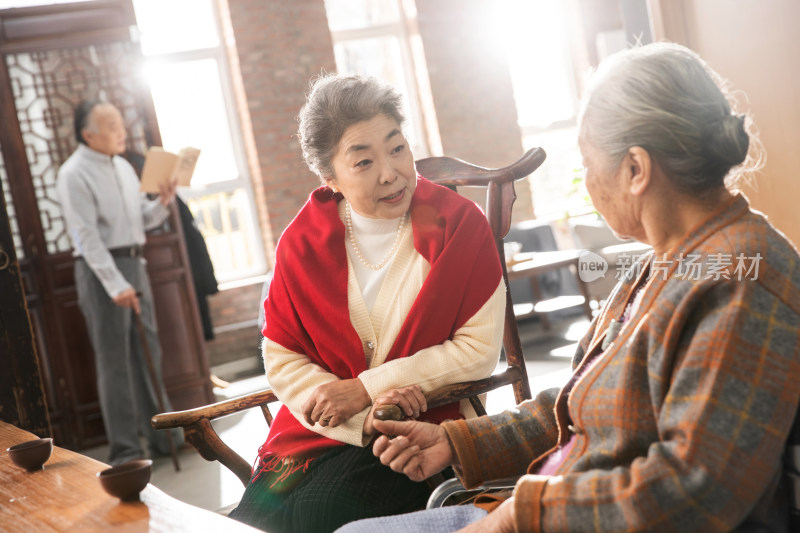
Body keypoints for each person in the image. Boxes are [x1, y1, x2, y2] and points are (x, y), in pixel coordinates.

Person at [336, 42, 800, 533]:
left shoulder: (741, 283)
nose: (586, 177)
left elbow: (695, 491)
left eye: (588, 159)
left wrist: (519, 517)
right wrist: (457, 442)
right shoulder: (665, 263)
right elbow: (583, 398)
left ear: (636, 170)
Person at [227, 75, 506, 533]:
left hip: (421, 431)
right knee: (251, 524)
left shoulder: (458, 226)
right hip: (319, 435)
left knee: (320, 513)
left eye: (397, 148)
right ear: (330, 178)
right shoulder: (302, 242)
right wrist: (361, 416)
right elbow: (282, 357)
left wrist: (364, 389)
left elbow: (477, 352)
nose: (390, 172)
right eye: (363, 161)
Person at [56, 100, 179, 465]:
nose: (120, 129)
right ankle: (125, 451)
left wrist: (163, 202)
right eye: (110, 124)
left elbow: (141, 217)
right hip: (100, 273)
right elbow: (86, 236)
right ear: (87, 134)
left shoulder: (124, 167)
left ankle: (164, 438)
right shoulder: (74, 173)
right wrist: (115, 285)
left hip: (133, 263)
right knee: (114, 361)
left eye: (118, 121)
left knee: (148, 354)